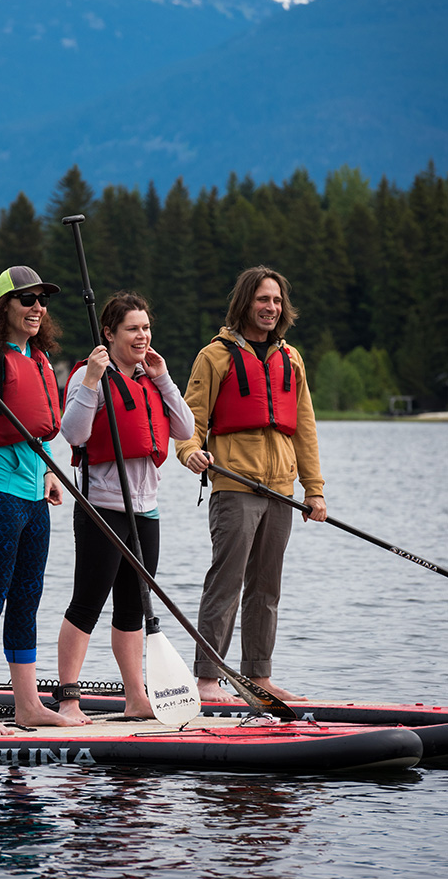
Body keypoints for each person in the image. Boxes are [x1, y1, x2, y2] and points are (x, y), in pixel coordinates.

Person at [175, 266, 327, 704]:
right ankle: (207, 678)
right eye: (263, 299)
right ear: (246, 302)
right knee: (227, 580)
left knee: (266, 586)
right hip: (234, 486)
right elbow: (191, 420)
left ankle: (257, 676)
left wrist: (313, 490)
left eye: (277, 301)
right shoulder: (214, 356)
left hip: (280, 489)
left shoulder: (291, 358)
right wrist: (189, 453)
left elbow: (305, 429)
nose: (271, 308)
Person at [0, 265, 82, 736]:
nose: (36, 308)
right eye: (26, 299)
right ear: (3, 307)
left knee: (27, 598)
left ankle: (27, 705)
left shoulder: (40, 360)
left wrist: (49, 471)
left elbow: (39, 429)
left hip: (31, 497)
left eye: (41, 300)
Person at [55, 291, 196, 723]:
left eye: (146, 328)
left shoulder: (151, 377)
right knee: (87, 603)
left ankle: (137, 697)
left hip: (146, 510)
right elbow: (74, 434)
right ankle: (68, 699)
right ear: (109, 333)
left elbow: (185, 427)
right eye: (133, 328)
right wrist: (94, 380)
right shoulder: (87, 376)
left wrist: (164, 377)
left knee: (133, 608)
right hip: (102, 508)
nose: (142, 336)